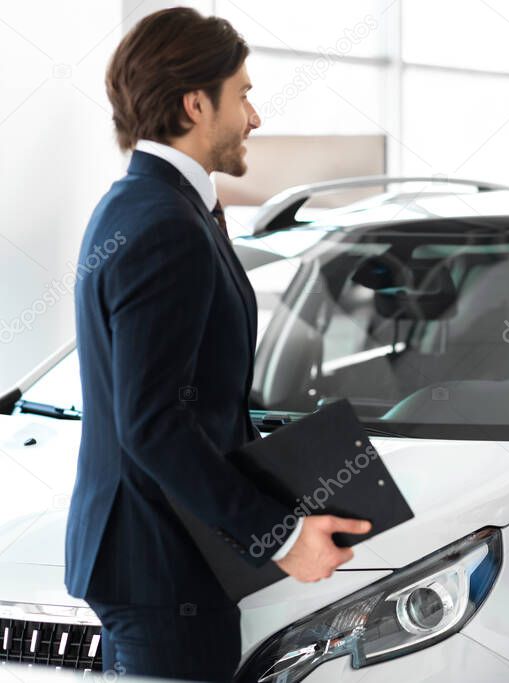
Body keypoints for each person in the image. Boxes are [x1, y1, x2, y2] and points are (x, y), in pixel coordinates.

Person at [67, 9, 369, 680]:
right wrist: (282, 535)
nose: (255, 118)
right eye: (244, 95)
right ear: (195, 103)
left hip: (159, 559)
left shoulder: (148, 205)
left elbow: (189, 397)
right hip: (161, 566)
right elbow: (152, 424)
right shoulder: (163, 223)